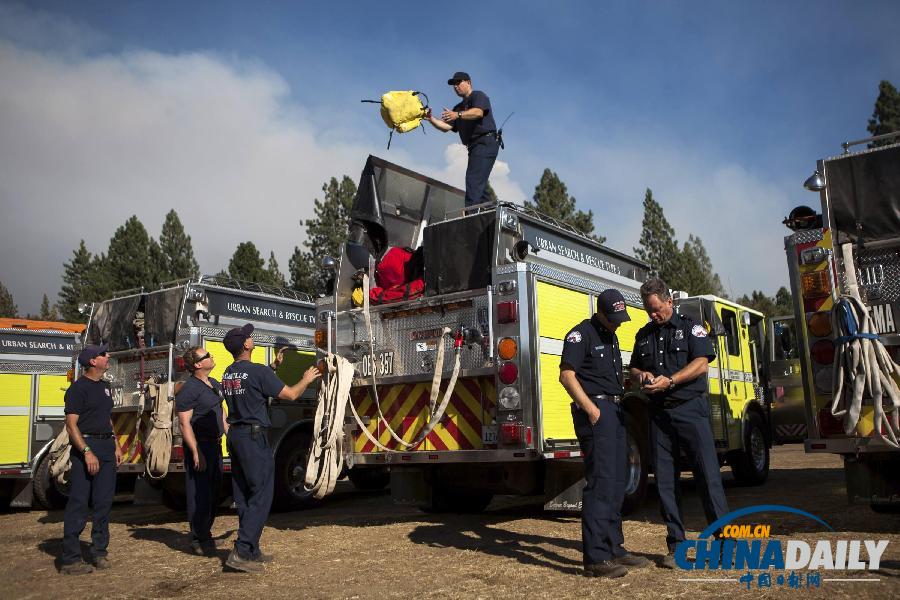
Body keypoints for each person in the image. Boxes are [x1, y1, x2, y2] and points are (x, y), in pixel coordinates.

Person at [627, 278, 729, 569]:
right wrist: (641, 376)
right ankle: (676, 546)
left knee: (708, 478)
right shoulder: (644, 334)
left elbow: (702, 363)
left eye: (657, 309)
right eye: (648, 310)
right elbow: (634, 366)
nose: (653, 315)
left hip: (690, 410)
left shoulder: (690, 327)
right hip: (658, 415)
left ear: (669, 301)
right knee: (666, 482)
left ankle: (725, 544)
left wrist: (671, 380)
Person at [559, 289, 652, 578]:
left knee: (617, 480)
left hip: (615, 411)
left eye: (620, 318)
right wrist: (591, 409)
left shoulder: (611, 337)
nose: (617, 323)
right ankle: (596, 557)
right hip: (597, 414)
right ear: (600, 312)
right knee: (600, 482)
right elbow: (566, 375)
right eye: (613, 318)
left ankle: (615, 548)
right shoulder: (580, 334)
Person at [220, 324, 320, 572]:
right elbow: (291, 395)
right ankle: (242, 552)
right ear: (245, 345)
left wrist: (274, 366)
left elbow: (254, 382)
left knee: (243, 494)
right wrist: (306, 379)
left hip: (236, 437)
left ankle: (251, 549)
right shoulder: (256, 373)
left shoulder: (229, 372)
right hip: (254, 439)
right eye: (249, 336)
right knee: (262, 494)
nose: (252, 338)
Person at [60, 344, 123, 575]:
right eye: (104, 354)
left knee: (103, 503)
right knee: (79, 502)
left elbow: (106, 419)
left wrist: (115, 444)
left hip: (106, 446)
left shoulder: (105, 387)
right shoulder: (78, 389)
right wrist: (86, 452)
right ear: (93, 361)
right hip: (86, 447)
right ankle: (71, 559)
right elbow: (71, 425)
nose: (108, 357)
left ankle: (99, 552)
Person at [176, 345, 228, 557]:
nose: (212, 356)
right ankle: (198, 538)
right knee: (200, 494)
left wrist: (229, 434)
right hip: (201, 446)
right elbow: (184, 423)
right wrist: (196, 452)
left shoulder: (213, 384)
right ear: (198, 364)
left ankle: (205, 533)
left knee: (214, 493)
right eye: (207, 355)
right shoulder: (189, 389)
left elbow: (221, 412)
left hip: (214, 445)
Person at [424, 71, 500, 208]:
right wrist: (431, 119)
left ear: (468, 82)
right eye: (453, 84)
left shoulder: (478, 95)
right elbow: (445, 127)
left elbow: (478, 112)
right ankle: (491, 214)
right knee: (478, 187)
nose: (455, 86)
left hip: (485, 141)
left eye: (458, 82)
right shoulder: (457, 108)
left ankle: (470, 218)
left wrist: (457, 115)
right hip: (474, 147)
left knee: (473, 180)